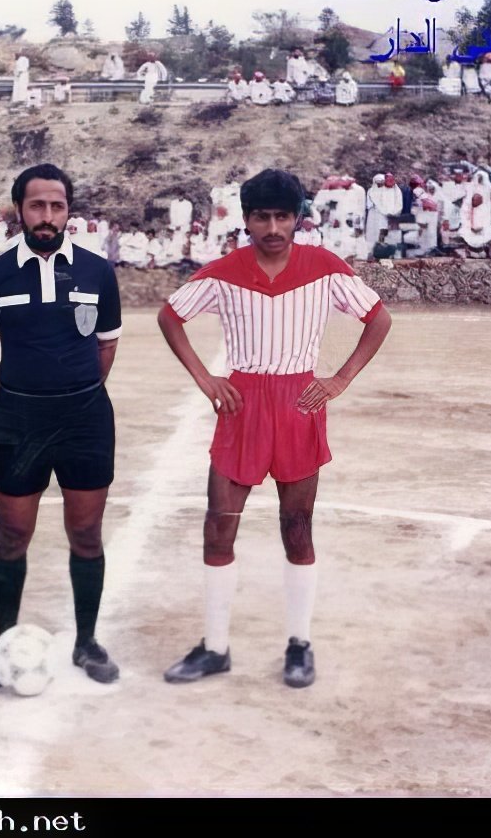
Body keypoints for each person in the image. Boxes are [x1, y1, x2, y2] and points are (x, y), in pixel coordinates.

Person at [157, 168, 392, 689]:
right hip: (241, 406)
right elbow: (170, 317)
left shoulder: (325, 267)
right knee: (219, 526)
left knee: (297, 526)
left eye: (282, 217)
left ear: (297, 219)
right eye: (261, 217)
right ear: (246, 220)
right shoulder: (223, 272)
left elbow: (378, 318)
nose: (272, 228)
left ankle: (299, 644)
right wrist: (205, 379)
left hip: (298, 404)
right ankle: (215, 647)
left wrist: (339, 379)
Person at [0, 164, 124, 689]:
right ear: (19, 210)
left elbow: (106, 345)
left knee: (86, 533)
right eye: (37, 205)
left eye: (57, 206)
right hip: (19, 422)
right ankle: (3, 643)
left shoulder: (97, 272)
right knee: (13, 534)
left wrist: (76, 393)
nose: (47, 216)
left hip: (85, 420)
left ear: (68, 210)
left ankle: (87, 641)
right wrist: (17, 398)